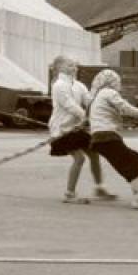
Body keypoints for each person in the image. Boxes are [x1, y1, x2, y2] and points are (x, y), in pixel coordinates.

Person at [86, 69, 138, 210]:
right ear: (111, 81)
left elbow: (118, 114)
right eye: (117, 81)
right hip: (107, 137)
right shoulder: (108, 92)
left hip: (103, 137)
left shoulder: (99, 95)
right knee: (132, 165)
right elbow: (126, 109)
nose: (119, 84)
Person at [47, 56, 116, 204]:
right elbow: (69, 105)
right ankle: (69, 194)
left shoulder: (79, 85)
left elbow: (89, 101)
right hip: (62, 130)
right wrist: (87, 117)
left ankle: (99, 188)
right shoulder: (59, 85)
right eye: (70, 65)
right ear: (59, 68)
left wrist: (100, 95)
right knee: (80, 158)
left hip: (77, 128)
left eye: (75, 65)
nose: (74, 67)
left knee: (94, 154)